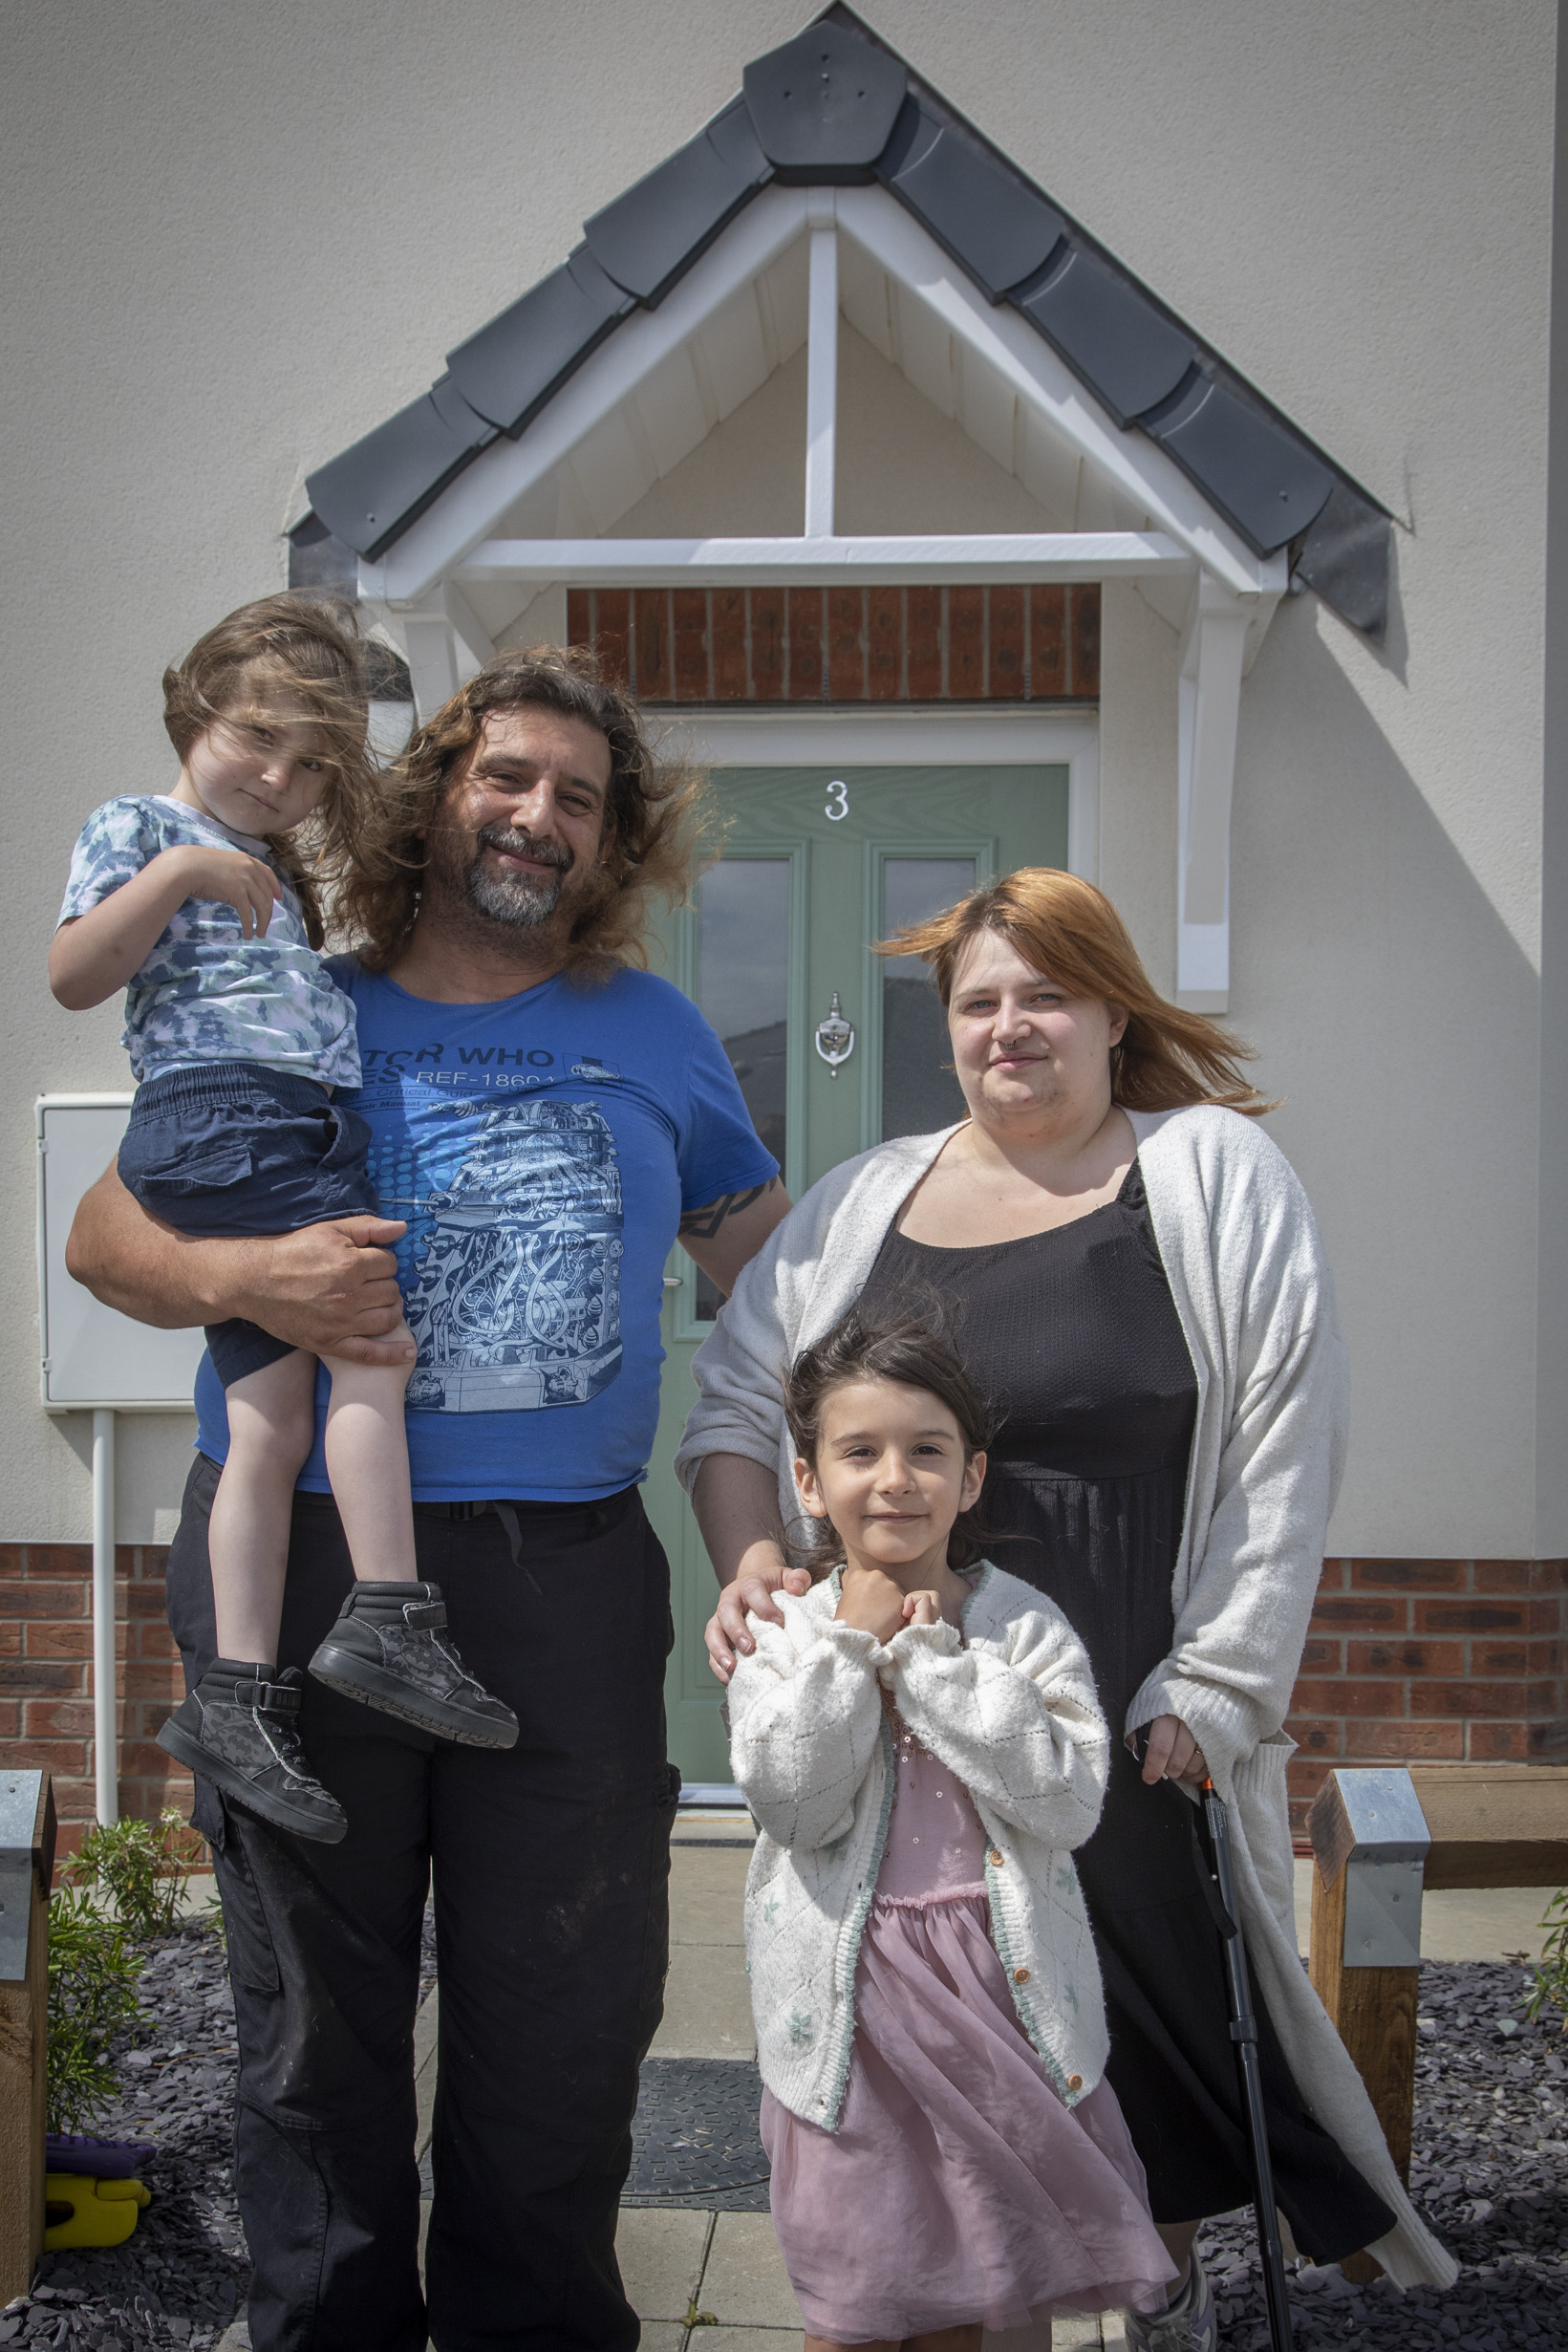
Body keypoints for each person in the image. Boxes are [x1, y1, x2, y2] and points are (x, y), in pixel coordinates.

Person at [66, 645, 791, 2352]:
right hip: (308, 1571)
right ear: (434, 792)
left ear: (615, 847)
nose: (536, 816)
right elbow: (107, 1236)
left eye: (578, 798)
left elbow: (765, 1258)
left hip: (567, 1590)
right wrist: (255, 1271)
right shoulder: (295, 989)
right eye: (504, 776)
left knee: (564, 2015)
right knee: (314, 2028)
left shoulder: (657, 1032)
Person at [679, 868, 1456, 2349]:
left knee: (1139, 2020)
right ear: (945, 1027)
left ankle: (1158, 2293)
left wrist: (1219, 1680)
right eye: (978, 1000)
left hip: (1116, 1688)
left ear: (1113, 1009)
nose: (1009, 1025)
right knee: (942, 2013)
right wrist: (754, 1564)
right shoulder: (863, 1201)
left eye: (1045, 992)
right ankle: (962, 2287)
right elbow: (732, 1399)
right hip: (903, 1700)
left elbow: (1289, 1440)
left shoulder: (1208, 1170)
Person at [50, 595, 514, 1847]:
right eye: (260, 739)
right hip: (237, 1123)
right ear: (195, 708)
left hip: (269, 1130)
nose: (281, 777)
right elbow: (75, 973)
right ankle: (389, 1616)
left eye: (312, 763)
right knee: (374, 1347)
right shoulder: (145, 832)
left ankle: (237, 1699)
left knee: (270, 1418)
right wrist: (180, 870)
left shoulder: (277, 880)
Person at [728, 1311, 1176, 2352]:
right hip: (849, 2014)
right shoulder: (785, 1635)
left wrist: (934, 1661)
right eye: (859, 1451)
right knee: (856, 2300)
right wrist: (850, 1650)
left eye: (926, 1450)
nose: (895, 1478)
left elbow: (1066, 1799)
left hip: (996, 1999)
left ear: (971, 1477)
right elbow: (792, 1803)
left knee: (989, 2293)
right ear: (806, 1480)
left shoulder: (1018, 1625)